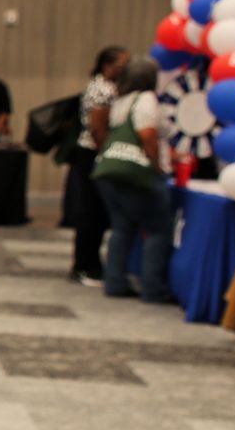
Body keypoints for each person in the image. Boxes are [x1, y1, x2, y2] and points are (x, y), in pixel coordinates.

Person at [91, 58, 174, 303]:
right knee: (158, 230)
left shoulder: (120, 100)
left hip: (109, 171)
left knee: (121, 228)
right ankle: (153, 288)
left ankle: (114, 281)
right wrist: (158, 166)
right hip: (136, 175)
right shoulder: (146, 99)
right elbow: (147, 135)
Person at [68, 46, 128, 285]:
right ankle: (85, 266)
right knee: (92, 213)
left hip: (94, 154)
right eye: (122, 66)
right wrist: (107, 156)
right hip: (92, 154)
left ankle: (89, 263)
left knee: (97, 214)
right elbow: (97, 128)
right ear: (107, 66)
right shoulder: (101, 89)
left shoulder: (105, 86)